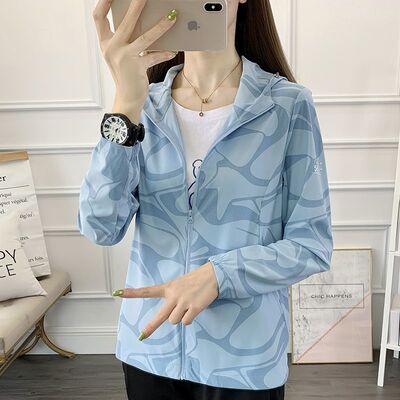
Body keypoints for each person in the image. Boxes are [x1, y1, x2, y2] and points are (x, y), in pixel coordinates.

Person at [78, 0, 333, 399]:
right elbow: (100, 226)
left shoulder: (287, 106)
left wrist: (217, 276)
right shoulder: (144, 104)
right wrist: (125, 105)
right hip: (150, 349)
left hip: (245, 361)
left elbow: (311, 245)